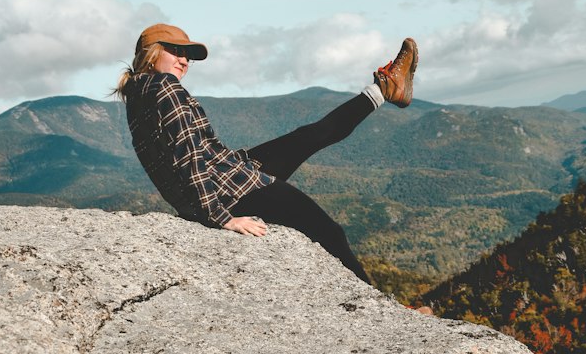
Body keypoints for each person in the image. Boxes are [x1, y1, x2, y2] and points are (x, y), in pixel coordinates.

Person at [115, 22, 418, 283]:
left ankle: (386, 87)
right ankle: (376, 305)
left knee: (308, 137)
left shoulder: (137, 95)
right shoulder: (165, 87)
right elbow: (188, 157)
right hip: (230, 190)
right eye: (176, 51)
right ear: (152, 52)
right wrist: (221, 218)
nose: (184, 61)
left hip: (226, 173)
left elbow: (172, 165)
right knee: (330, 232)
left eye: (188, 56)